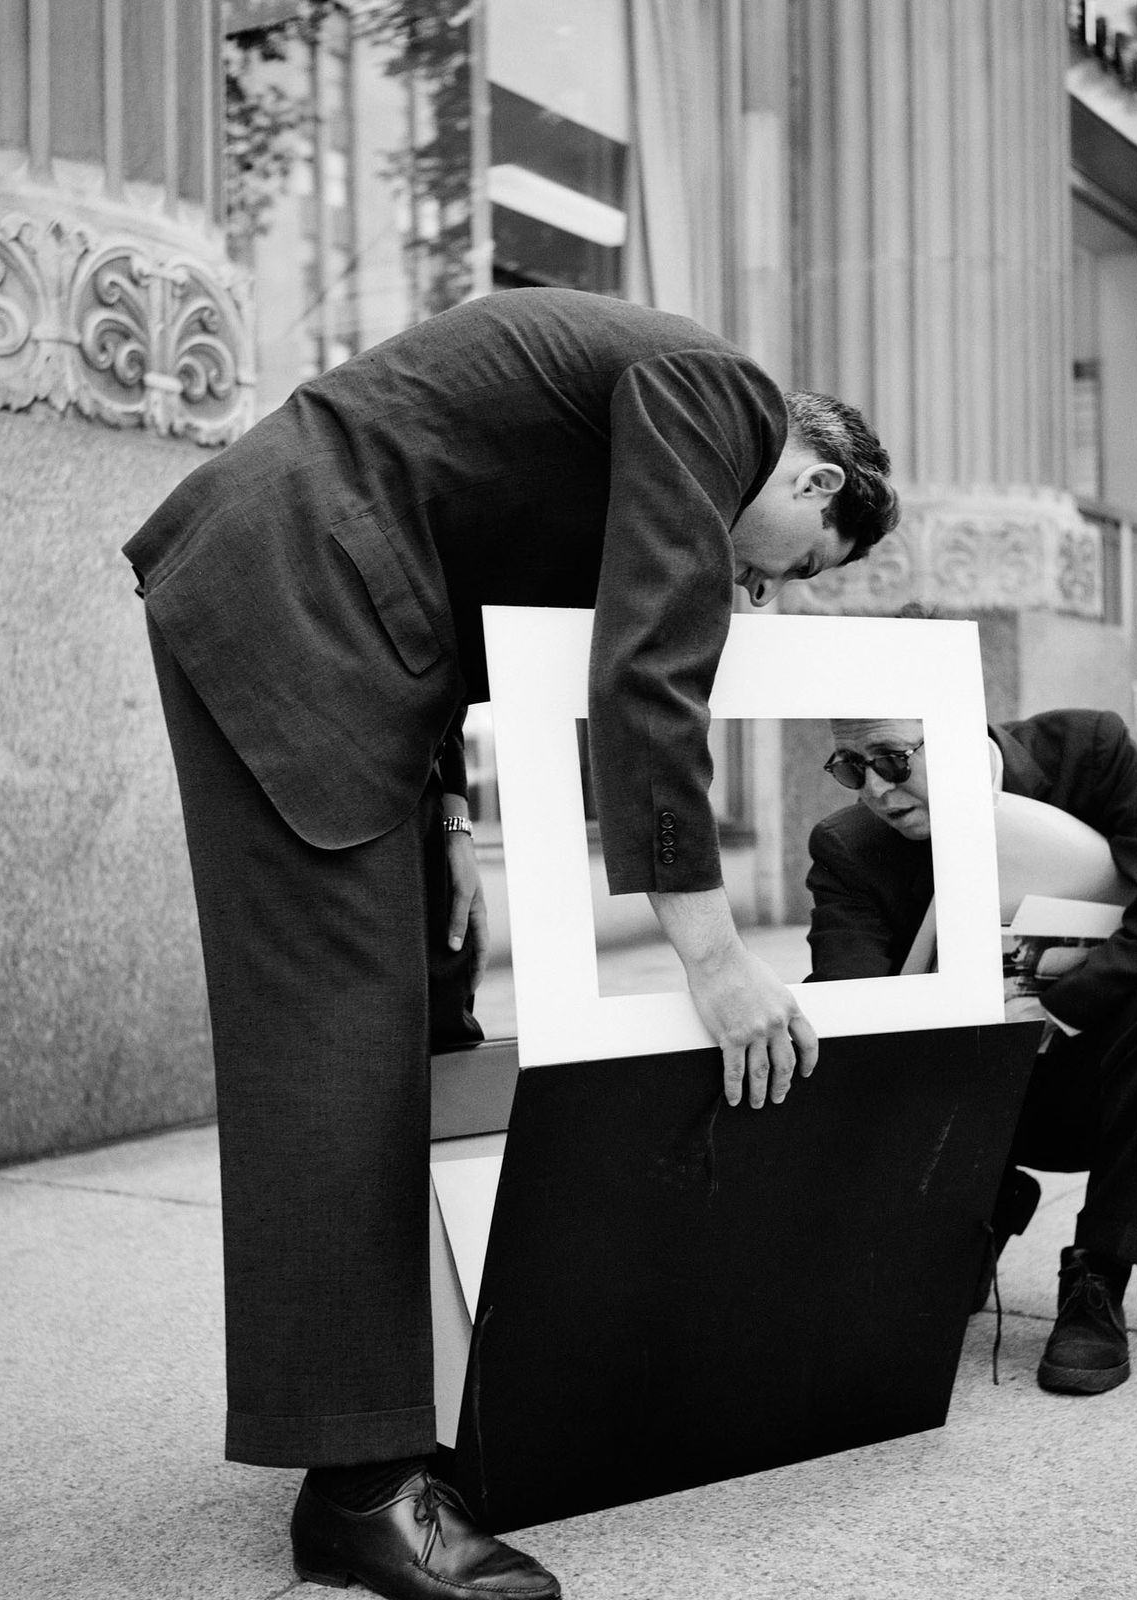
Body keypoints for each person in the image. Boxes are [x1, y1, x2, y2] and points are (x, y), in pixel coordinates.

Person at [124, 287, 897, 1600]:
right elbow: (647, 674)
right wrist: (714, 959)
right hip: (296, 589)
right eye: (791, 564)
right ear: (816, 476)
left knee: (422, 996)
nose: (760, 592)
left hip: (339, 608)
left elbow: (465, 544)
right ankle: (360, 1492)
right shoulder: (724, 397)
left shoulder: (665, 402)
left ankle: (412, 1412)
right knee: (337, 1029)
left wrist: (443, 820)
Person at [806, 709, 1137, 1396]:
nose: (876, 791)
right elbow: (855, 1019)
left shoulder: (1090, 755)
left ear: (959, 723)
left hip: (1095, 1084)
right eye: (850, 768)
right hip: (960, 1100)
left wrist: (1059, 1005)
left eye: (892, 759)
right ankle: (975, 1208)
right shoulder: (847, 847)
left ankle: (1098, 1278)